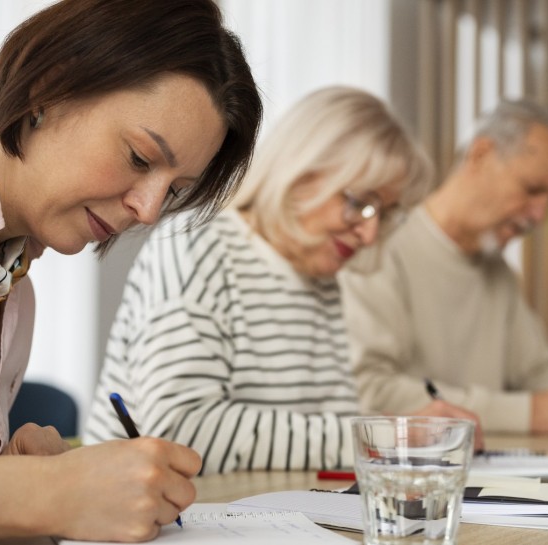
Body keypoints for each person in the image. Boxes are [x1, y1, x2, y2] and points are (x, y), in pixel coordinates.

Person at [0, 0, 261, 543]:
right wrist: (44, 493)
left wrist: (18, 477)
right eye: (138, 157)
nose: (149, 211)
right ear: (49, 88)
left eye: (173, 191)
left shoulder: (12, 285)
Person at [85, 86, 484, 475]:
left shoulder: (319, 277)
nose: (370, 234)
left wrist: (387, 436)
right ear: (300, 173)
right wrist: (380, 435)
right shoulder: (199, 245)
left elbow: (325, 433)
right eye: (362, 204)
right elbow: (182, 433)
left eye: (386, 214)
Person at [339, 99, 548, 435]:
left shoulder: (499, 275)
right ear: (480, 155)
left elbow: (544, 379)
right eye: (532, 190)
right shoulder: (379, 247)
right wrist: (525, 414)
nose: (539, 216)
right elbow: (370, 391)